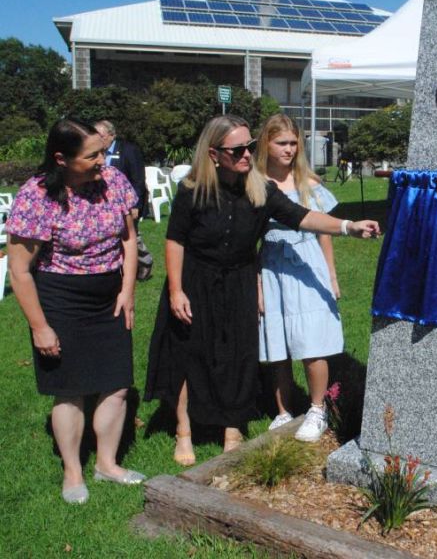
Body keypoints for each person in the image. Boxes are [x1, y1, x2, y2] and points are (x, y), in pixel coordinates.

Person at [145, 115, 379, 467]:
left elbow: (302, 216)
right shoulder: (193, 190)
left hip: (239, 280)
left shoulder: (260, 189)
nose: (246, 154)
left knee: (237, 356)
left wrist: (348, 226)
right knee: (186, 355)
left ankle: (232, 427)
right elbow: (175, 240)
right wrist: (176, 290)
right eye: (238, 149)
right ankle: (184, 431)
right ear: (213, 153)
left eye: (250, 147)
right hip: (196, 281)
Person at [5, 118, 145, 505]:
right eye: (92, 155)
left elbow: (129, 239)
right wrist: (40, 327)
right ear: (61, 159)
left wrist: (128, 290)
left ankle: (107, 463)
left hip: (109, 296)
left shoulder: (113, 182)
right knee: (69, 390)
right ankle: (73, 471)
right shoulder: (36, 196)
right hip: (61, 298)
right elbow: (19, 270)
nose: (103, 161)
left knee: (117, 383)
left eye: (103, 151)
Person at [255, 115, 343, 443]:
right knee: (277, 340)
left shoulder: (309, 183)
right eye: (282, 143)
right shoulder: (255, 183)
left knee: (311, 339)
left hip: (307, 262)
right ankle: (283, 410)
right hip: (273, 265)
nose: (289, 149)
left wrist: (331, 275)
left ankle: (317, 408)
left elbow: (324, 233)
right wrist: (257, 283)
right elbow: (247, 241)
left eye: (294, 143)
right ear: (266, 143)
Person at [94, 120, 153, 281]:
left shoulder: (128, 150)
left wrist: (136, 205)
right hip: (102, 204)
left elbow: (138, 179)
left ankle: (145, 262)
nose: (97, 139)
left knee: (130, 236)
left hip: (126, 203)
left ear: (112, 136)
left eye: (101, 136)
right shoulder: (95, 153)